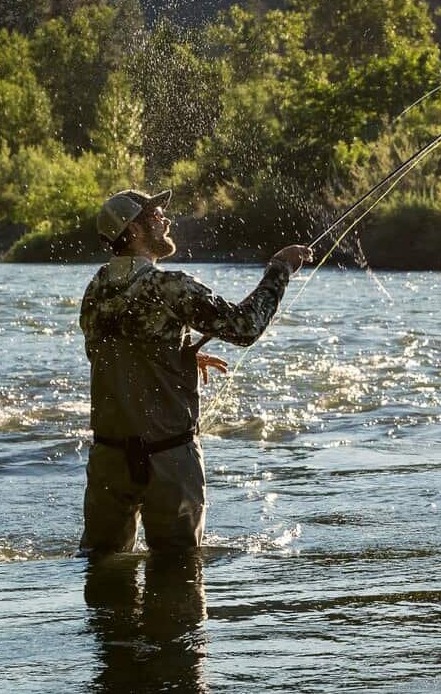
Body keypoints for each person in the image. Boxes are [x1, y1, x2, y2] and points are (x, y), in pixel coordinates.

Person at [78, 188, 313, 556]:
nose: (166, 221)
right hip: (168, 459)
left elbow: (111, 350)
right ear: (134, 230)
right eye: (156, 216)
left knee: (103, 572)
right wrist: (279, 270)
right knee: (180, 580)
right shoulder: (169, 285)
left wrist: (177, 357)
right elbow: (244, 327)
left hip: (109, 461)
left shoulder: (96, 289)